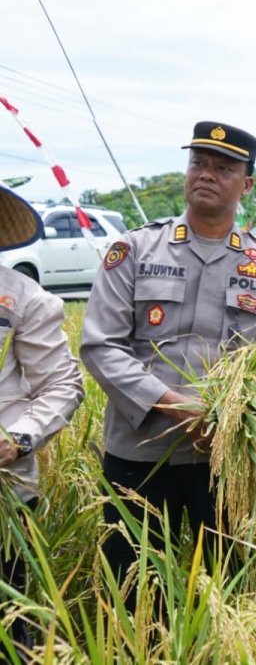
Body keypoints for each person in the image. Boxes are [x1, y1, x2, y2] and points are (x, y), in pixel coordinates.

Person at [81, 122, 256, 588]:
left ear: (246, 185)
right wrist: (172, 404)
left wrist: (234, 415)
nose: (206, 174)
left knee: (227, 586)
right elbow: (102, 345)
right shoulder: (134, 249)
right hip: (139, 452)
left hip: (228, 460)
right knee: (131, 586)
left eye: (223, 168)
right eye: (198, 163)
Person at [0, 184, 84, 658]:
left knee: (10, 625)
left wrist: (18, 439)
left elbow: (62, 385)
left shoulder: (21, 298)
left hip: (5, 494)